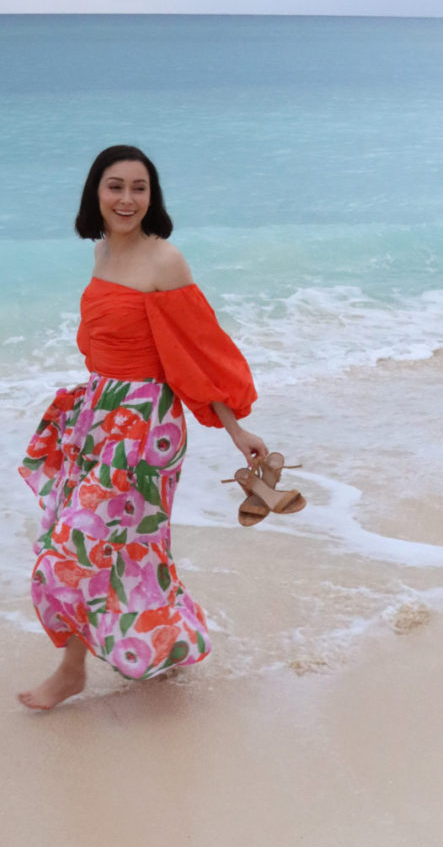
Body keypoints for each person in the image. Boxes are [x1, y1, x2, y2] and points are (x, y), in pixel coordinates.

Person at [17, 144, 267, 709]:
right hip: (99, 417)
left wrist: (236, 429)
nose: (127, 198)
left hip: (145, 428)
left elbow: (198, 351)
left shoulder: (165, 262)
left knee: (77, 548)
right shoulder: (103, 252)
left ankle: (71, 670)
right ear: (95, 193)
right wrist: (86, 409)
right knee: (129, 549)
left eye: (139, 188)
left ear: (152, 197)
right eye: (115, 186)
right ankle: (167, 644)